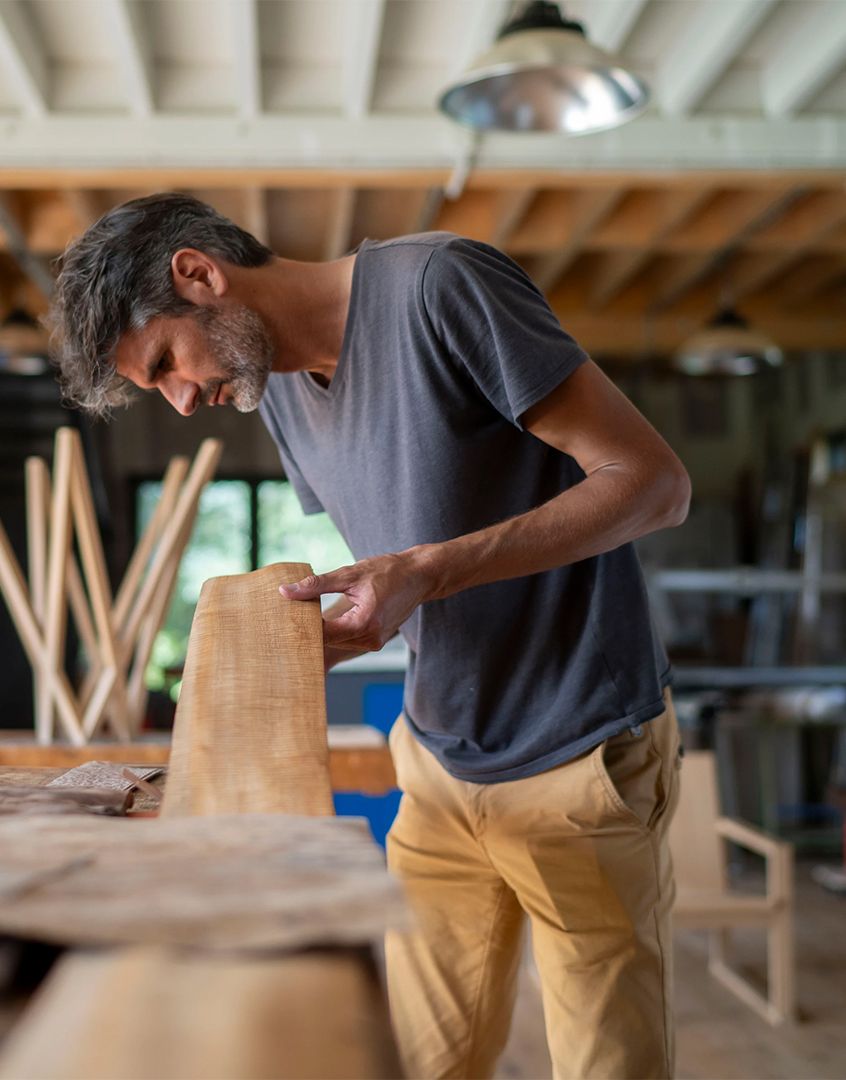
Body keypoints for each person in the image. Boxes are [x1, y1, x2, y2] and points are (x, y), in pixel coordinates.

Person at [48, 193, 691, 1080]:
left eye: (164, 363)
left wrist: (426, 573)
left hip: (576, 753)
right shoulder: (273, 392)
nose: (184, 401)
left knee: (607, 1066)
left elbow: (654, 484)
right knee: (413, 1063)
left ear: (199, 273)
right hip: (435, 764)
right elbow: (417, 538)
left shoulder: (439, 286)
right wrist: (365, 625)